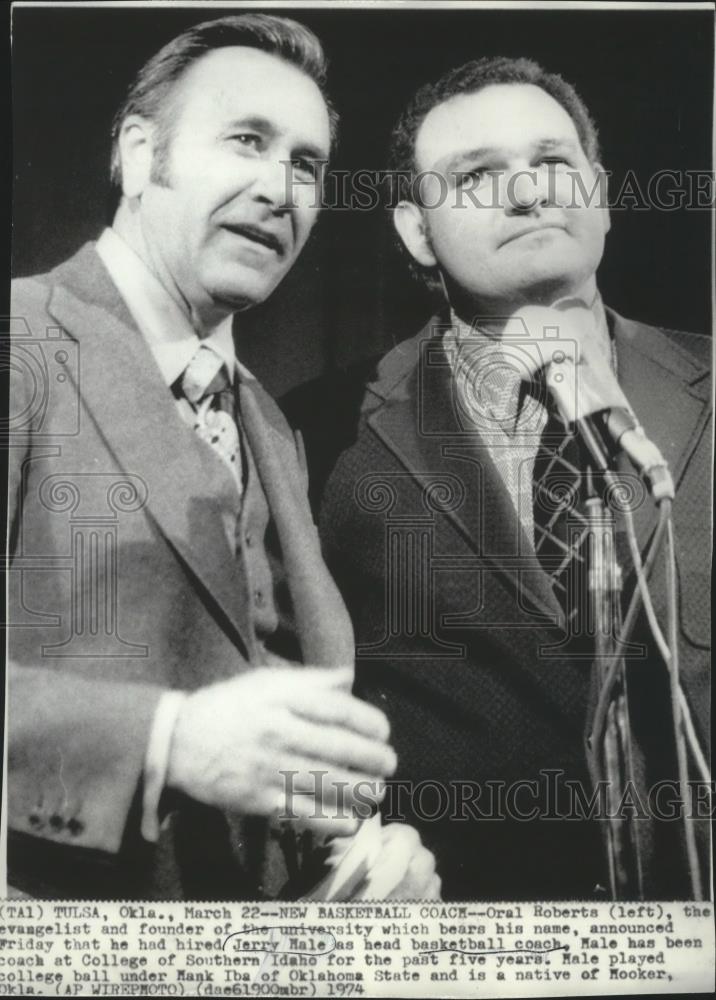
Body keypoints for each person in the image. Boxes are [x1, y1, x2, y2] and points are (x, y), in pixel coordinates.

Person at [6, 14, 439, 901]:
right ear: (136, 153)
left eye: (307, 166)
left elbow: (261, 693)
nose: (280, 189)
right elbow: (199, 734)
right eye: (246, 140)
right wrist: (166, 740)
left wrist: (352, 856)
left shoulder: (271, 426)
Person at [319, 57, 711, 900]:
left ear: (599, 195)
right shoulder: (323, 433)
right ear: (416, 231)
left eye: (555, 163)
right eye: (477, 176)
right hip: (474, 944)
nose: (530, 194)